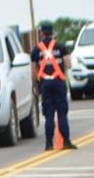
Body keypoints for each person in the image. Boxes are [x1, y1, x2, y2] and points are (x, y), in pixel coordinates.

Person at [31, 21, 77, 151]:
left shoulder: (36, 49)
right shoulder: (61, 47)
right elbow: (68, 65)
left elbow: (33, 71)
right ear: (52, 33)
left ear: (41, 33)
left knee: (49, 115)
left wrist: (36, 85)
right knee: (62, 114)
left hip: (45, 84)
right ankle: (66, 141)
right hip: (59, 83)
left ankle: (49, 143)